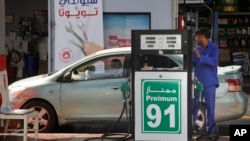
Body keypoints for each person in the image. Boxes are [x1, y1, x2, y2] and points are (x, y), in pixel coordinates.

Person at [192, 28, 219, 141]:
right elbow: (192, 63)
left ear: (203, 37)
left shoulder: (213, 48)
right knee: (196, 106)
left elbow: (214, 61)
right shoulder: (197, 49)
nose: (196, 38)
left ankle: (212, 132)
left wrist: (201, 57)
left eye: (198, 36)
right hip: (198, 83)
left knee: (210, 107)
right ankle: (197, 130)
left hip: (209, 83)